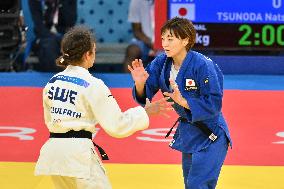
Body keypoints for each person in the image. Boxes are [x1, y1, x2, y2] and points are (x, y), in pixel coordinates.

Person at [34, 25, 173, 189]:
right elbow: (117, 125)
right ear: (87, 55)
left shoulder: (52, 82)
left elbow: (50, 119)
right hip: (78, 156)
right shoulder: (93, 84)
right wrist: (145, 112)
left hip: (53, 155)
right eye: (94, 51)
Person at [128, 17, 232, 189]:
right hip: (189, 132)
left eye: (170, 39)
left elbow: (214, 104)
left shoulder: (203, 65)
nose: (165, 44)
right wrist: (140, 84)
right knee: (190, 185)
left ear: (185, 40)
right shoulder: (161, 63)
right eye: (163, 39)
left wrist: (183, 101)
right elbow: (145, 95)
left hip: (212, 133)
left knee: (197, 185)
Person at [28, 0, 77, 72]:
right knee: (49, 45)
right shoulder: (36, 2)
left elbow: (70, 22)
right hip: (45, 37)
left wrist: (61, 4)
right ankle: (60, 75)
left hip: (63, 36)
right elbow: (39, 27)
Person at [123, 0, 155, 72]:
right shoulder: (137, 1)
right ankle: (128, 82)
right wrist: (151, 43)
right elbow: (137, 31)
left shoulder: (172, 2)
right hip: (145, 41)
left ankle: (178, 81)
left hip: (168, 40)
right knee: (132, 51)